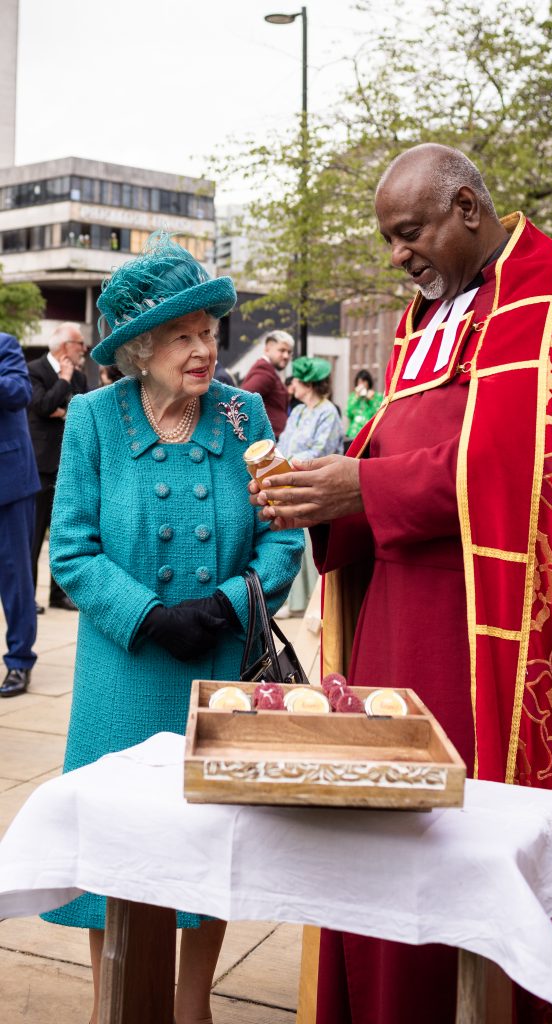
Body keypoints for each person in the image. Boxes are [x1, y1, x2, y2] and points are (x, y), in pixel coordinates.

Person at [251, 144, 552, 1024]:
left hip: (503, 652)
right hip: (391, 636)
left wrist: (362, 486)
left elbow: (539, 463)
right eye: (389, 240)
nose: (398, 256)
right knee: (383, 860)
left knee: (459, 858)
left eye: (409, 234)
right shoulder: (422, 321)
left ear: (466, 209)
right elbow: (405, 444)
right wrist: (325, 491)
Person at [41, 232, 304, 1024]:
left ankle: (194, 1009)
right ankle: (110, 1003)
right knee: (116, 845)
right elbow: (74, 549)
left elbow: (282, 531)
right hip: (125, 667)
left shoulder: (242, 410)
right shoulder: (92, 418)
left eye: (209, 333)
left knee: (207, 838)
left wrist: (227, 604)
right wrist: (148, 615)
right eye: (185, 336)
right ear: (141, 348)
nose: (205, 350)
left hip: (216, 663)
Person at [27, 322, 88, 613]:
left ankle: (58, 595)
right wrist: (62, 380)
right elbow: (41, 406)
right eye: (80, 344)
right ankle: (27, 598)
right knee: (33, 535)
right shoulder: (34, 369)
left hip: (68, 463)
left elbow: (79, 411)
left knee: (63, 533)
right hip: (40, 465)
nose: (84, 349)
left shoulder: (80, 376)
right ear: (65, 346)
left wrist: (60, 409)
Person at [276, 356, 344, 617]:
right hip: (292, 482)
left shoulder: (328, 412)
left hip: (315, 484)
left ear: (309, 384)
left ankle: (313, 603)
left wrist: (290, 463)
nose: (292, 385)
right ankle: (294, 601)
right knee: (294, 541)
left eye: (297, 381)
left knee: (311, 544)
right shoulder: (299, 411)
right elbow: (284, 443)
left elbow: (321, 449)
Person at [0, 333, 40, 698]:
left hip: (8, 484)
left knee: (15, 578)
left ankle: (19, 660)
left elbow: (19, 393)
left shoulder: (4, 344)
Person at [240, 329, 293, 438]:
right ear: (267, 349)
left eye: (289, 352)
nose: (286, 356)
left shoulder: (269, 370)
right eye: (282, 350)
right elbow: (243, 400)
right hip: (267, 442)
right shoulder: (264, 372)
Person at [344, 369, 382, 447]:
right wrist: (356, 397)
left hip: (369, 435)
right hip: (353, 434)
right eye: (359, 382)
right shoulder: (353, 397)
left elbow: (379, 414)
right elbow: (349, 413)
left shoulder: (376, 396)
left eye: (364, 382)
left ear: (368, 382)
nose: (362, 385)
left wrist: (371, 400)